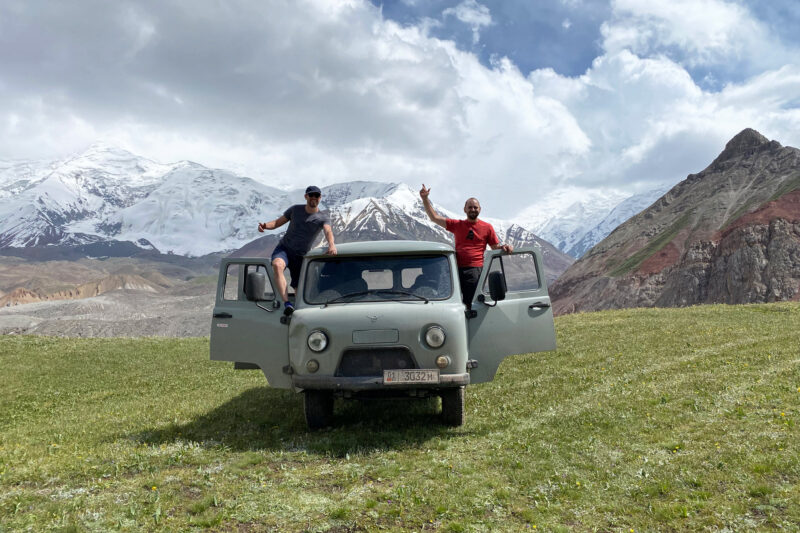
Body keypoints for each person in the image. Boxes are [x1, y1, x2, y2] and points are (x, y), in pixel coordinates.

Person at [419, 184, 512, 309]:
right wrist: (425, 198)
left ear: (480, 209)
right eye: (470, 207)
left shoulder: (487, 227)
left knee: (470, 303)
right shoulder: (457, 225)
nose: (473, 209)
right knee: (453, 302)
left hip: (475, 270)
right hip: (455, 269)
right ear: (464, 209)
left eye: (475, 207)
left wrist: (506, 247)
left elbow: (495, 248)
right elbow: (434, 218)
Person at [258, 185, 337, 314]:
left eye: (317, 196)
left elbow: (328, 231)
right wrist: (265, 226)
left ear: (320, 198)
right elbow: (277, 223)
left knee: (299, 288)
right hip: (284, 249)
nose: (314, 198)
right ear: (306, 196)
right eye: (311, 195)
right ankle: (286, 303)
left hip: (301, 256)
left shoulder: (323, 217)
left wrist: (332, 245)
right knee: (277, 265)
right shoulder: (295, 210)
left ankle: (299, 312)